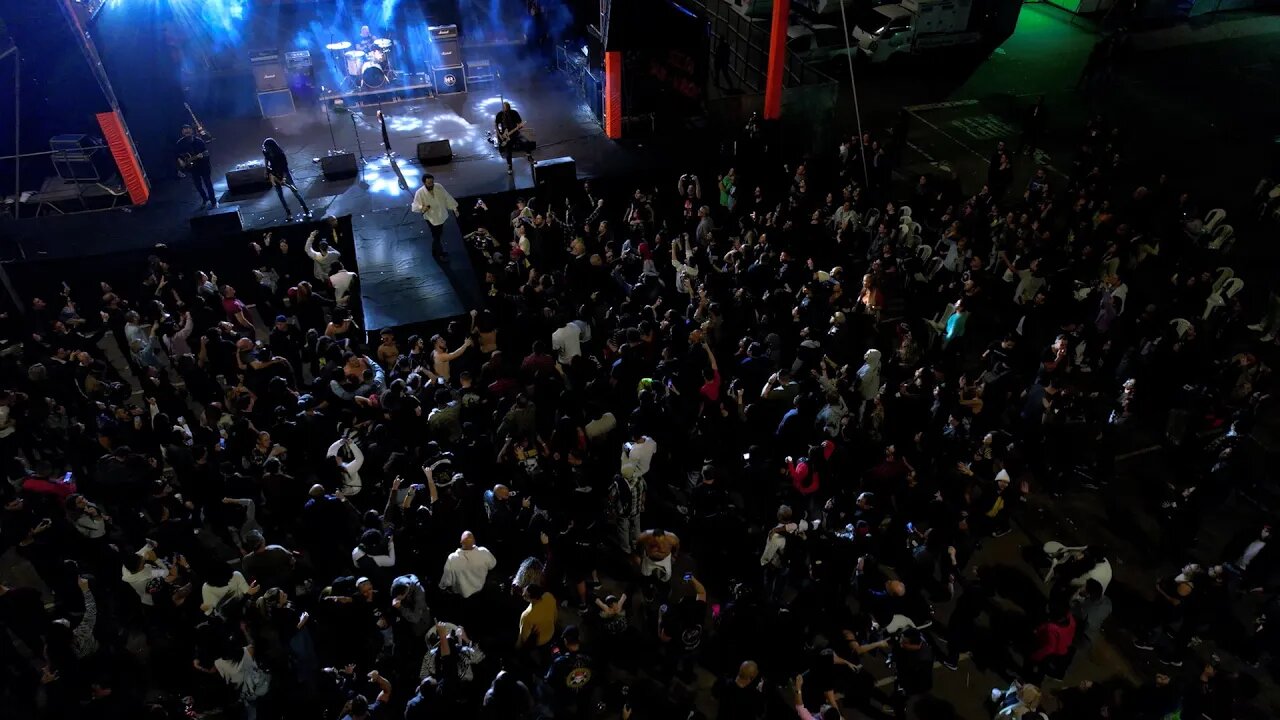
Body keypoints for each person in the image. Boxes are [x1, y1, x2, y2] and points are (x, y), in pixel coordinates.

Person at [410, 174, 459, 260]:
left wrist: (454, 208)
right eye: (429, 183)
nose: (431, 184)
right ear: (424, 183)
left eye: (432, 182)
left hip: (441, 215)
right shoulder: (420, 192)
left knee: (438, 235)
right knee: (436, 236)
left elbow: (447, 197)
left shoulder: (438, 186)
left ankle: (435, 251)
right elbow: (415, 206)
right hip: (431, 218)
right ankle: (439, 253)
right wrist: (422, 207)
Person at [262, 137, 311, 220]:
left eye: (267, 147)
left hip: (284, 173)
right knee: (280, 195)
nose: (265, 149)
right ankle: (288, 213)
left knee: (295, 192)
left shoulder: (280, 154)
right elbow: (266, 159)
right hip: (274, 174)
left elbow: (285, 167)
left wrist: (284, 179)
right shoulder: (266, 152)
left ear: (271, 147)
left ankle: (307, 211)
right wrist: (266, 169)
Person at [177, 124, 215, 209]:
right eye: (184, 129)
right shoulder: (180, 143)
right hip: (192, 168)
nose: (186, 131)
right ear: (182, 132)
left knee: (208, 184)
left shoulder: (199, 141)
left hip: (203, 166)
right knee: (198, 185)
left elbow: (206, 153)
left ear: (192, 130)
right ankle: (205, 199)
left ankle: (213, 201)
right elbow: (177, 155)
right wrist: (181, 161)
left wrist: (202, 156)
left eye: (188, 129)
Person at [494, 101, 534, 175]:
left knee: (526, 142)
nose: (507, 111)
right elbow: (496, 124)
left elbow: (519, 122)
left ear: (509, 108)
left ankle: (529, 156)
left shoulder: (514, 113)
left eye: (508, 109)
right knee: (508, 151)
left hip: (515, 133)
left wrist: (519, 126)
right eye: (505, 110)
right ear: (503, 109)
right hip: (506, 136)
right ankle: (510, 167)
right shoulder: (499, 114)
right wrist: (499, 134)